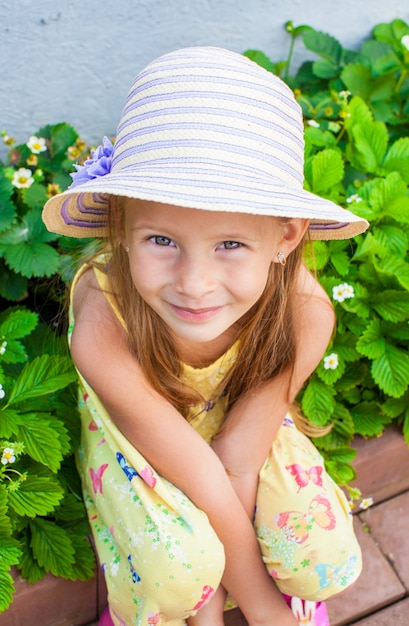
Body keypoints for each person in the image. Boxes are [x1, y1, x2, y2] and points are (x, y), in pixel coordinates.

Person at [42, 46, 368, 626]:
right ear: (121, 224)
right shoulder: (102, 321)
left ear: (286, 237)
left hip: (237, 433)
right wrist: (230, 615)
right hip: (142, 449)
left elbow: (237, 462)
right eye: (161, 241)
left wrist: (267, 614)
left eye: (230, 244)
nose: (194, 285)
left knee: (322, 559)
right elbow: (199, 475)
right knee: (176, 577)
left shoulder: (304, 315)